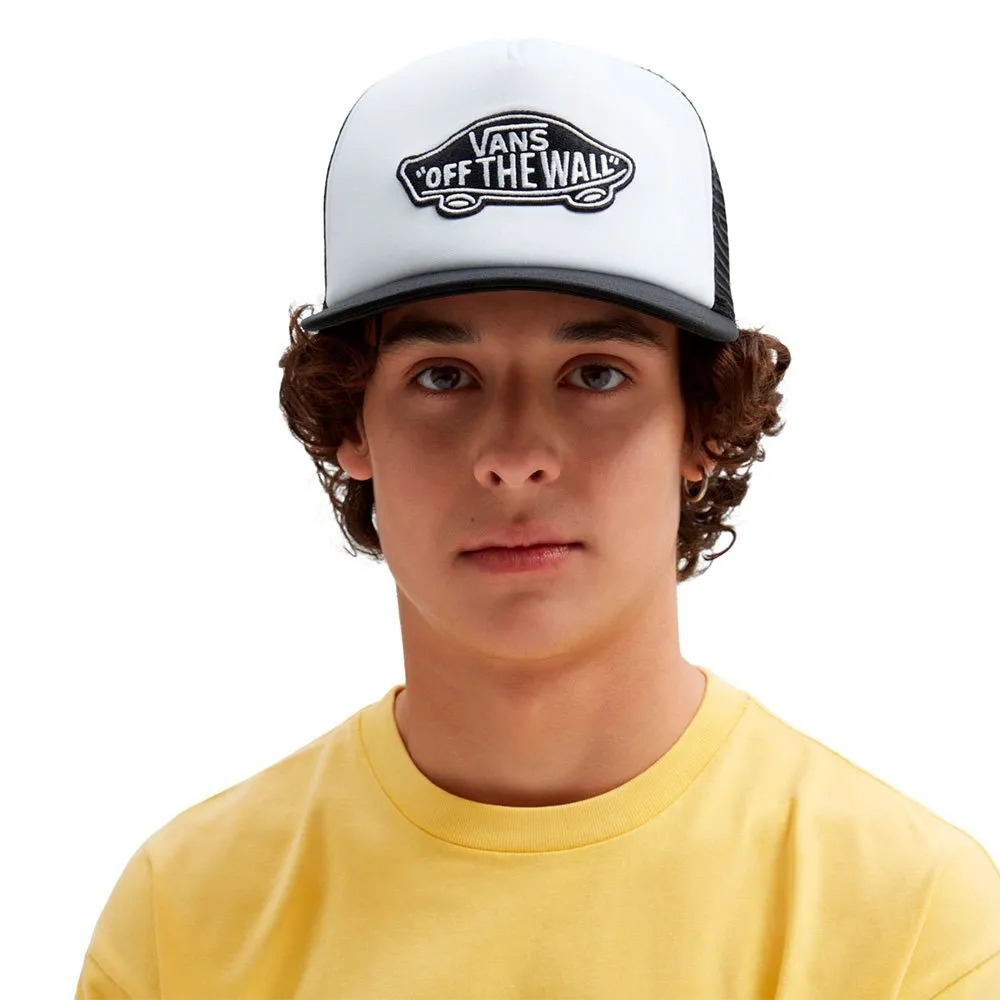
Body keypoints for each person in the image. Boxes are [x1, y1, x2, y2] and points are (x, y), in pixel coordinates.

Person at [75, 38, 1000, 999]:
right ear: (351, 422)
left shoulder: (910, 926)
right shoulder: (185, 918)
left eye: (595, 374)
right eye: (444, 376)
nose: (515, 453)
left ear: (702, 423)